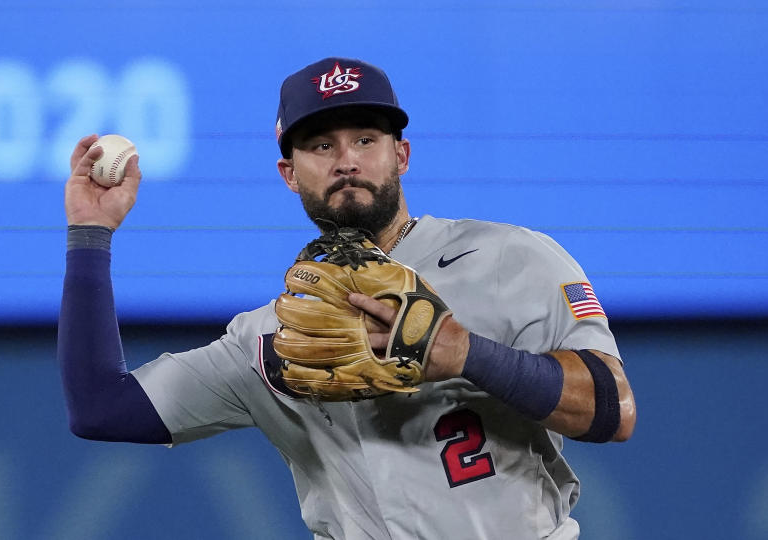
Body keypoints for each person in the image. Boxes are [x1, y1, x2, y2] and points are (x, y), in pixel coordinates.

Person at [58, 57, 636, 539]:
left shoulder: (508, 257)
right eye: (321, 144)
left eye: (366, 138)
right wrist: (91, 234)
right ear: (289, 172)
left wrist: (465, 355)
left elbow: (613, 408)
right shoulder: (273, 338)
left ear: (401, 155)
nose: (347, 160)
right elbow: (100, 407)